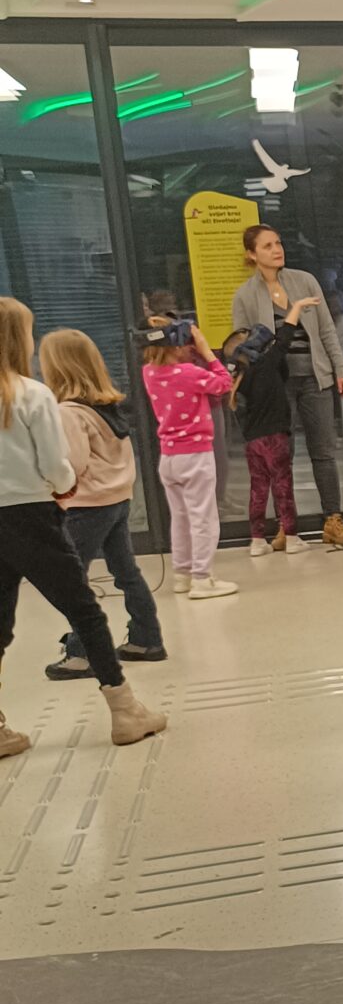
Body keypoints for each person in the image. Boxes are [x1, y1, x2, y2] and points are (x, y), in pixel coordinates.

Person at [0, 297, 167, 759]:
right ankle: (125, 711)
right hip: (32, 516)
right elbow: (57, 466)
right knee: (85, 612)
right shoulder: (33, 395)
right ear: (17, 339)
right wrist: (63, 486)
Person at [37, 329, 167, 678]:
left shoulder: (68, 412)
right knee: (126, 572)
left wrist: (48, 485)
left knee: (72, 581)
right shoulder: (106, 404)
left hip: (87, 506)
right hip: (117, 500)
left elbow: (72, 465)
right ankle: (146, 639)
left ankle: (83, 653)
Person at [230, 226, 343, 549]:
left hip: (316, 377)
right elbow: (243, 347)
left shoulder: (305, 281)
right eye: (267, 246)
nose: (277, 249)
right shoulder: (244, 295)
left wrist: (340, 368)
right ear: (251, 254)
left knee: (324, 452)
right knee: (281, 457)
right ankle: (286, 528)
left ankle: (333, 521)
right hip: (276, 387)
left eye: (278, 243)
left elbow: (327, 329)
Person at [141, 309, 237, 601]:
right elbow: (224, 383)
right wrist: (206, 352)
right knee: (203, 519)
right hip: (195, 456)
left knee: (180, 518)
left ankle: (182, 574)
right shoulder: (189, 373)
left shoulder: (149, 373)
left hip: (169, 458)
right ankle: (202, 579)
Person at [222, 314, 309, 557]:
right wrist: (296, 309)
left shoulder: (240, 379)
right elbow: (284, 339)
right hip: (275, 437)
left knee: (258, 489)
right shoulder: (267, 364)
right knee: (283, 486)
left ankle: (257, 540)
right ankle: (291, 537)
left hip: (253, 441)